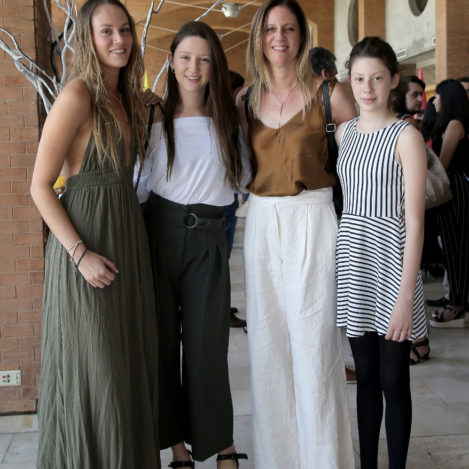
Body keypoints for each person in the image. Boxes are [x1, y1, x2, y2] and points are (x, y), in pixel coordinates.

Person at [30, 1, 160, 467]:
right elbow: (39, 187)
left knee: (124, 364)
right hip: (86, 246)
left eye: (124, 29)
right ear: (87, 36)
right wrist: (79, 253)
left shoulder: (125, 97)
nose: (119, 39)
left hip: (125, 238)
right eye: (107, 31)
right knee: (96, 367)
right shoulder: (77, 95)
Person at [236, 0, 356, 467]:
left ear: (302, 36)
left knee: (316, 347)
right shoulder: (245, 100)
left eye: (288, 29)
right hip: (263, 222)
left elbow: (364, 161)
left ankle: (325, 459)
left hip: (314, 217)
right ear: (259, 37)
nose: (279, 38)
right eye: (270, 29)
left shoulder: (331, 94)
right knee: (267, 347)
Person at [136, 21, 249, 469]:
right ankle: (178, 449)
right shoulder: (153, 116)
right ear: (171, 61)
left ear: (215, 65)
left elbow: (244, 180)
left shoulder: (228, 120)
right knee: (163, 347)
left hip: (208, 239)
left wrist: (243, 121)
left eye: (203, 59)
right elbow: (139, 184)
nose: (193, 67)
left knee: (207, 351)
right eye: (185, 57)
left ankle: (222, 444)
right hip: (159, 235)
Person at [336, 36, 427, 469]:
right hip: (355, 261)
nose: (366, 88)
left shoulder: (406, 135)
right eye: (358, 78)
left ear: (393, 80)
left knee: (394, 378)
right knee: (366, 377)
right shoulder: (344, 133)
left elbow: (416, 223)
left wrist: (406, 298)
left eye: (376, 78)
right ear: (349, 81)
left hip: (394, 265)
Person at [429, 79, 469, 328]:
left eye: (438, 96)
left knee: (457, 247)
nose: (434, 101)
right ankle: (456, 297)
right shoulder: (448, 124)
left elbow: (443, 163)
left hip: (455, 188)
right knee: (452, 246)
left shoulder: (455, 124)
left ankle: (458, 305)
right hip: (450, 187)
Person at [226, 70, 247, 328]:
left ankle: (222, 305)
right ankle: (222, 310)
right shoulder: (228, 119)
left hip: (229, 196)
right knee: (223, 257)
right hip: (226, 196)